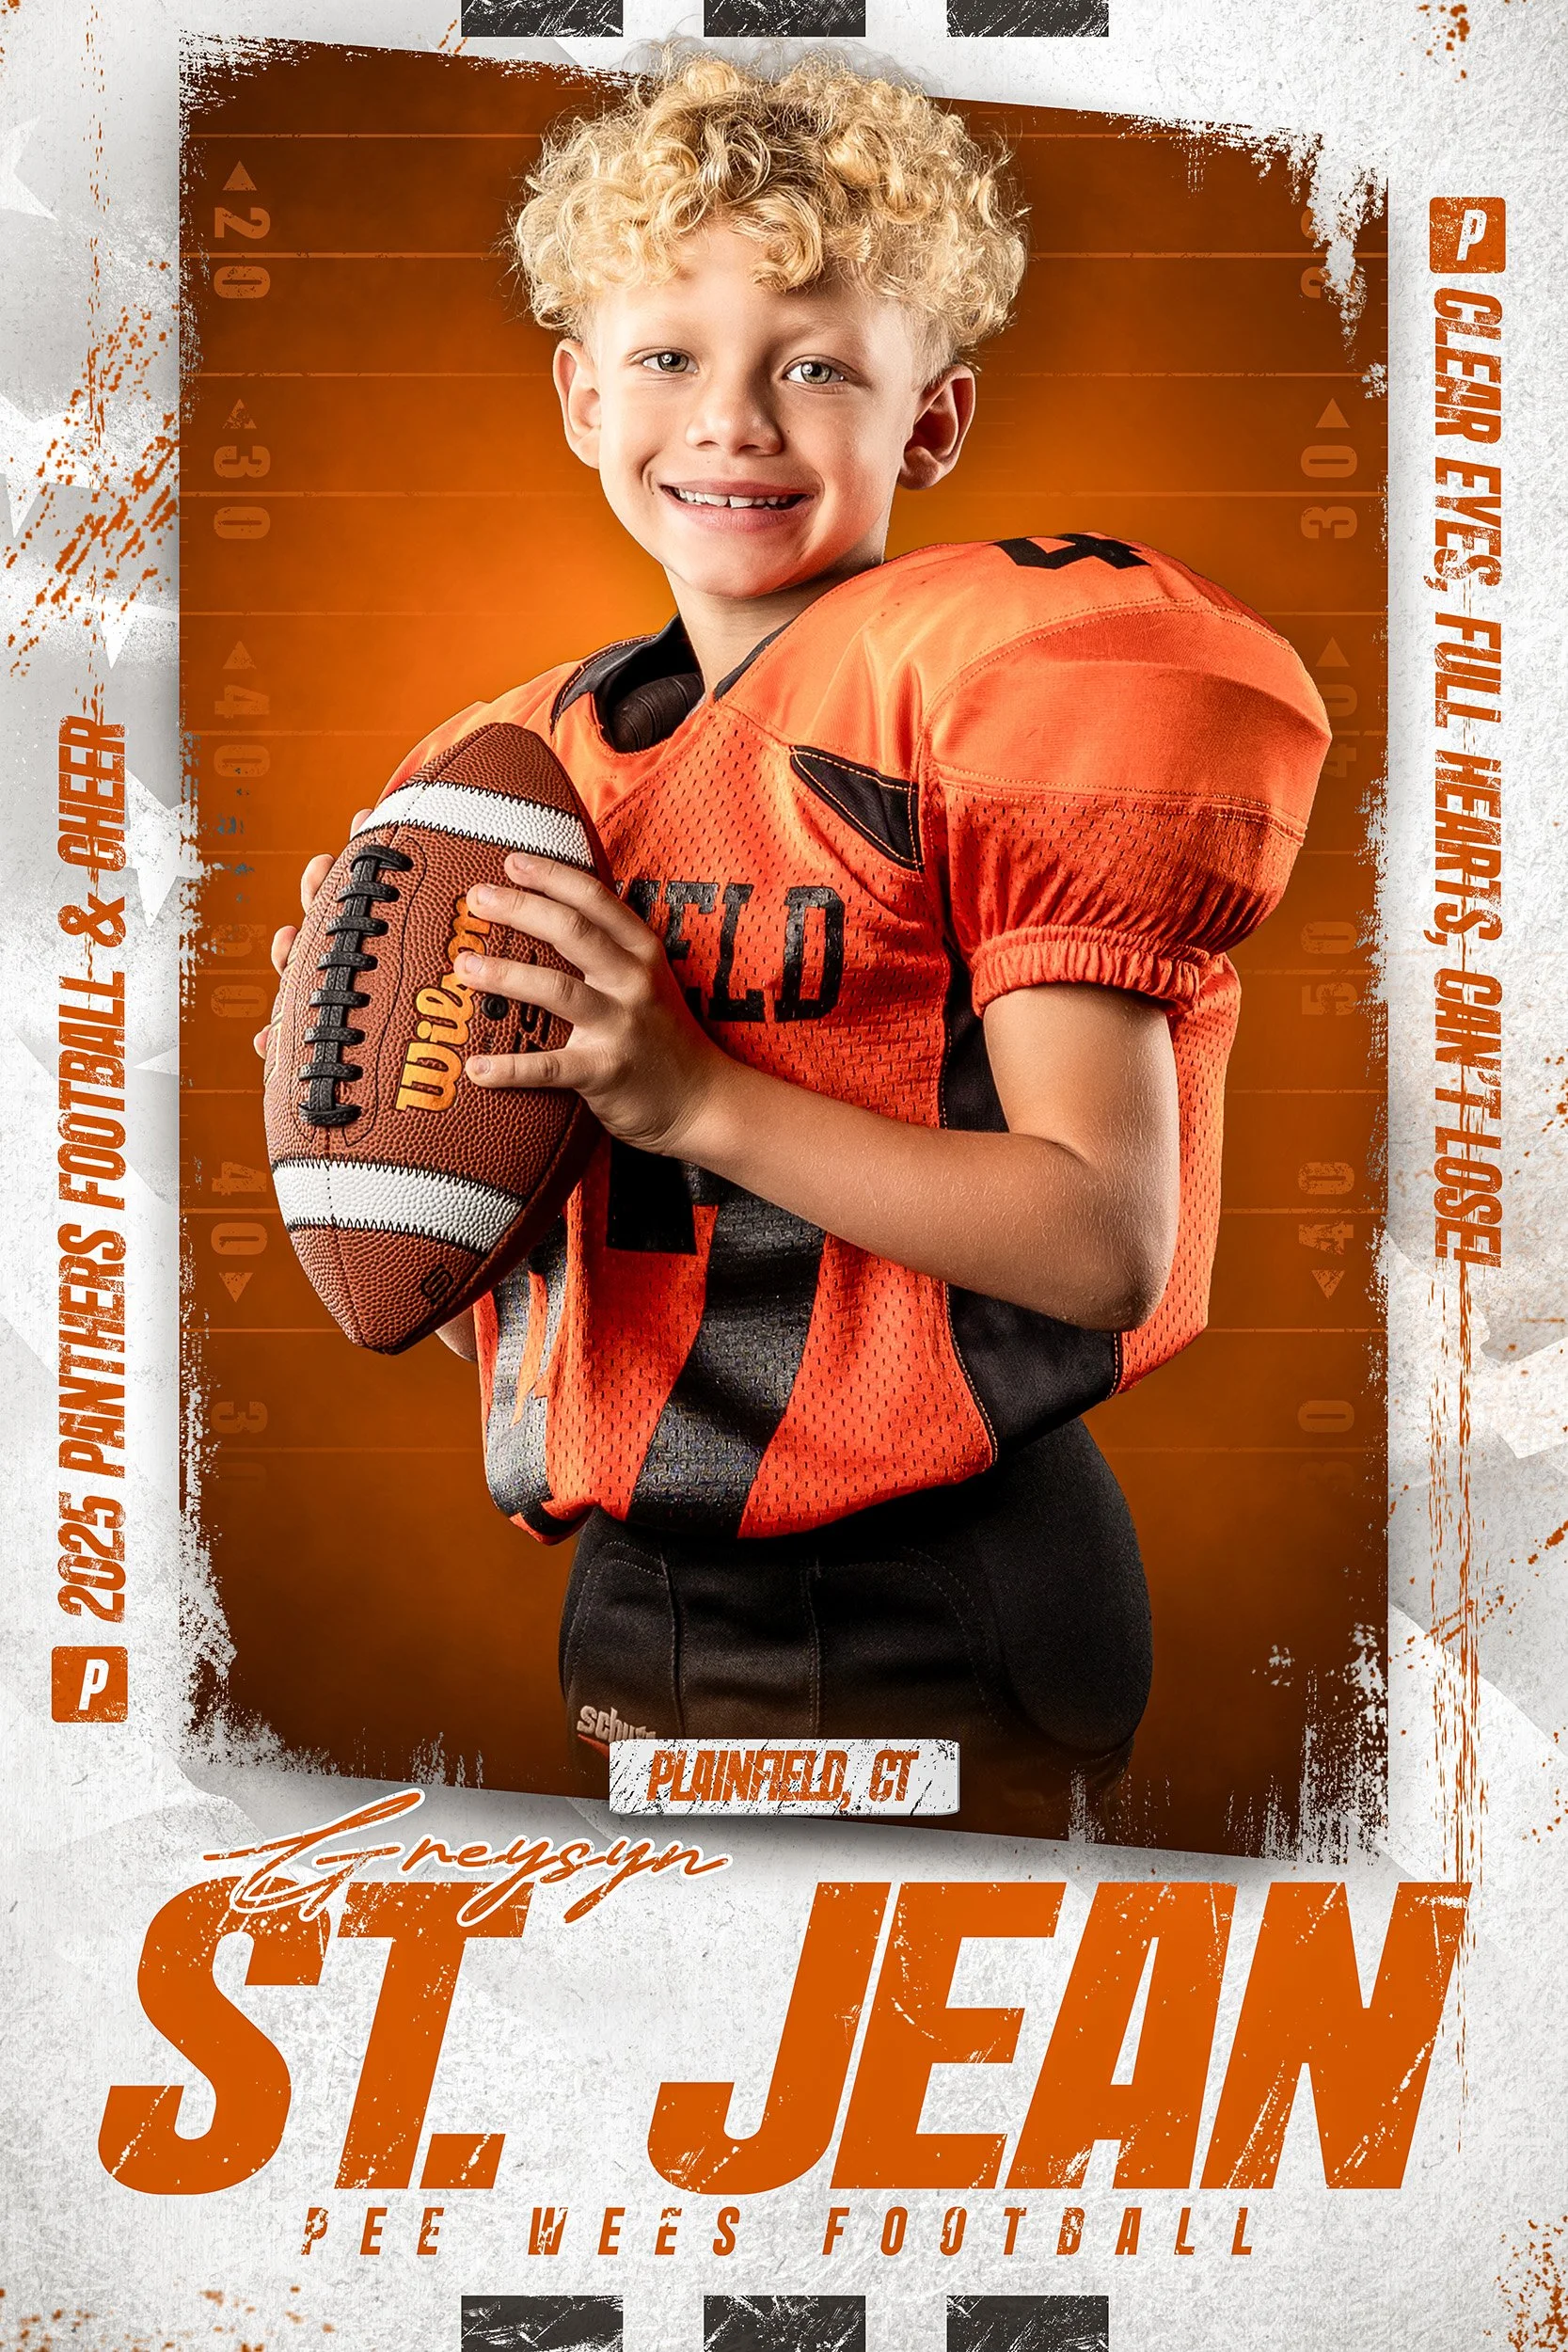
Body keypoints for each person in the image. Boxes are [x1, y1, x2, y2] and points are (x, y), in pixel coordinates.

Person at [261, 51, 1329, 1824]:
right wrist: (381, 1103)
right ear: (580, 395)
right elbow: (546, 1304)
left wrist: (692, 1100)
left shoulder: (996, 701)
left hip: (920, 1578)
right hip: (638, 1579)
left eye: (814, 365)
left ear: (932, 421)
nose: (733, 419)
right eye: (670, 357)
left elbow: (1097, 1240)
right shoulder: (505, 775)